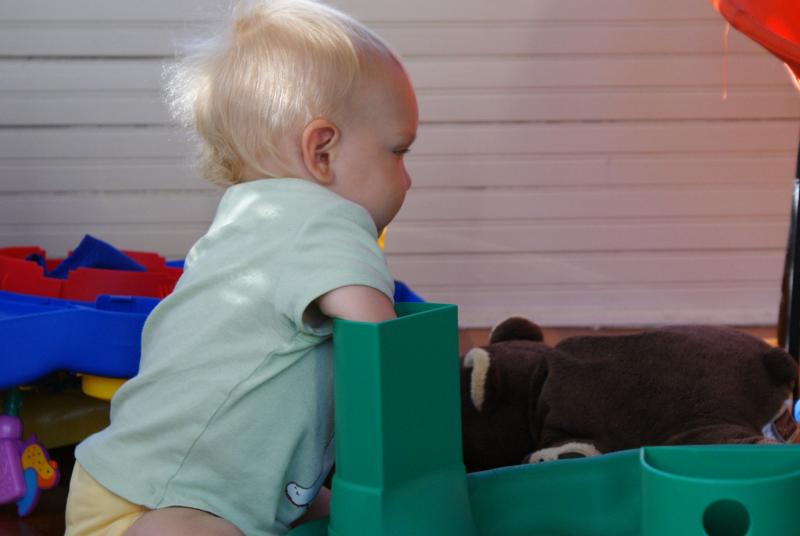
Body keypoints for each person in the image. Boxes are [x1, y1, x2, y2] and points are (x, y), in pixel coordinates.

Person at [64, 0, 418, 534]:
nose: (407, 179)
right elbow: (379, 342)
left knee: (328, 509)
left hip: (134, 486)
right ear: (322, 152)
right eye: (398, 151)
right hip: (164, 508)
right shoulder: (325, 219)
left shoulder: (248, 217)